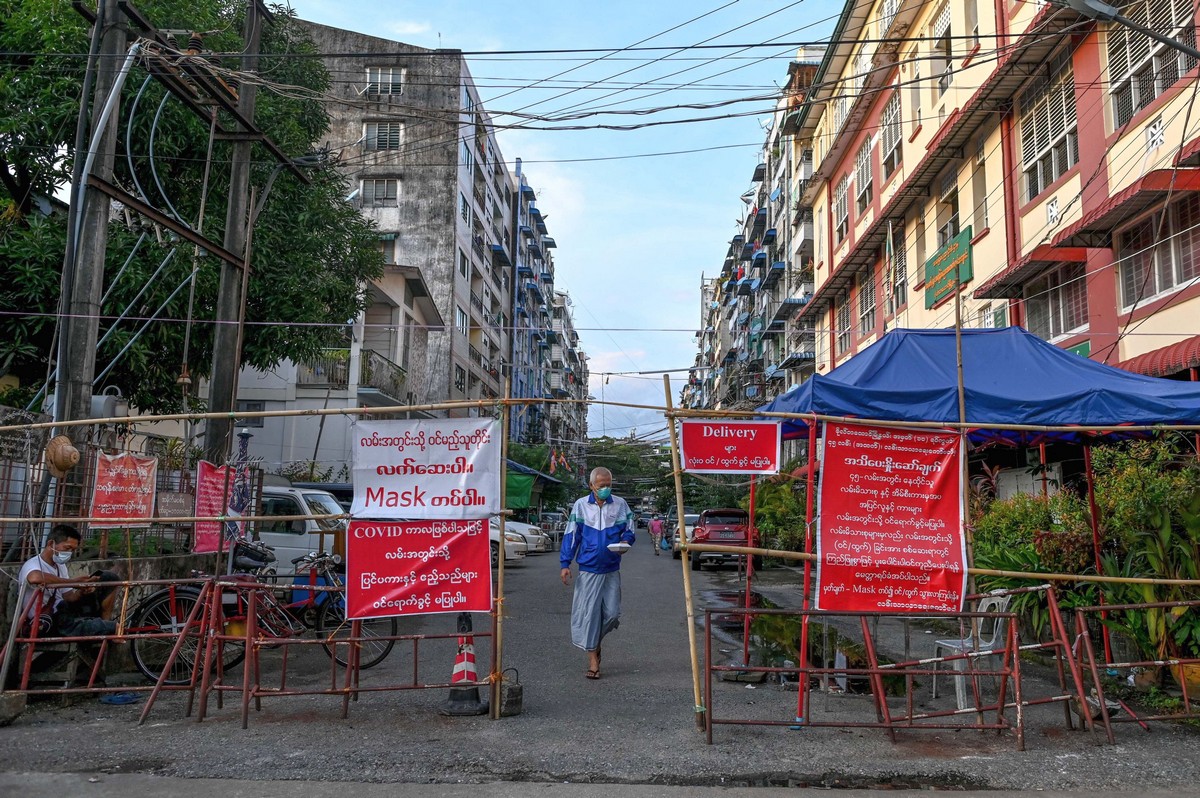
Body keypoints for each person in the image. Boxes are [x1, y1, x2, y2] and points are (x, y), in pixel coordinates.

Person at [16, 525, 119, 685]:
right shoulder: (33, 564)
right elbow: (34, 578)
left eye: (72, 550)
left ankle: (105, 625)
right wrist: (73, 581)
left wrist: (81, 590)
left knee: (108, 578)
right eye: (67, 548)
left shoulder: (60, 566)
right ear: (51, 544)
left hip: (64, 611)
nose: (69, 553)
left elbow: (69, 596)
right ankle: (109, 627)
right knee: (93, 624)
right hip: (48, 621)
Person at [560, 467, 635, 680]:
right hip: (588, 569)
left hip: (611, 567)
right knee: (589, 615)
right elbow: (572, 535)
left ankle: (595, 641)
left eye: (609, 484)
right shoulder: (581, 506)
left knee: (612, 614)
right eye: (602, 485)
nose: (606, 489)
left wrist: (625, 542)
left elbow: (629, 528)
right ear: (592, 485)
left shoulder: (620, 504)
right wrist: (565, 564)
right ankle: (593, 660)